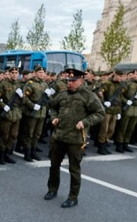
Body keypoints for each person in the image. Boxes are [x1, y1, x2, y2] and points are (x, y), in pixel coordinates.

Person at [44, 68, 105, 208]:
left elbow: (100, 113)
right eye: (68, 81)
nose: (69, 83)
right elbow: (53, 107)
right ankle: (52, 189)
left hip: (76, 139)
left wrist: (85, 122)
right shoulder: (63, 94)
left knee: (74, 169)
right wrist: (54, 118)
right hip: (59, 136)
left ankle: (73, 197)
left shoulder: (88, 95)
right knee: (54, 166)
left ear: (81, 80)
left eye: (73, 81)